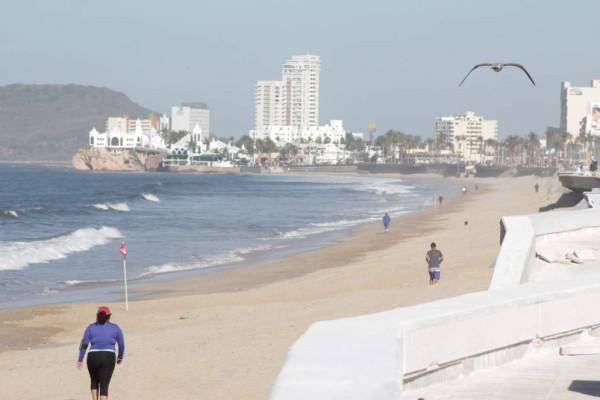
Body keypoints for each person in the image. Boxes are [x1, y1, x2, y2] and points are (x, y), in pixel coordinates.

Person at [77, 306, 125, 400]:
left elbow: (84, 344)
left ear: (97, 316)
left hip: (93, 356)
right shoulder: (115, 328)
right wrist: (120, 357)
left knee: (94, 381)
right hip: (108, 356)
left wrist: (80, 359)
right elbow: (121, 345)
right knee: (104, 385)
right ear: (109, 316)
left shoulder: (90, 327)